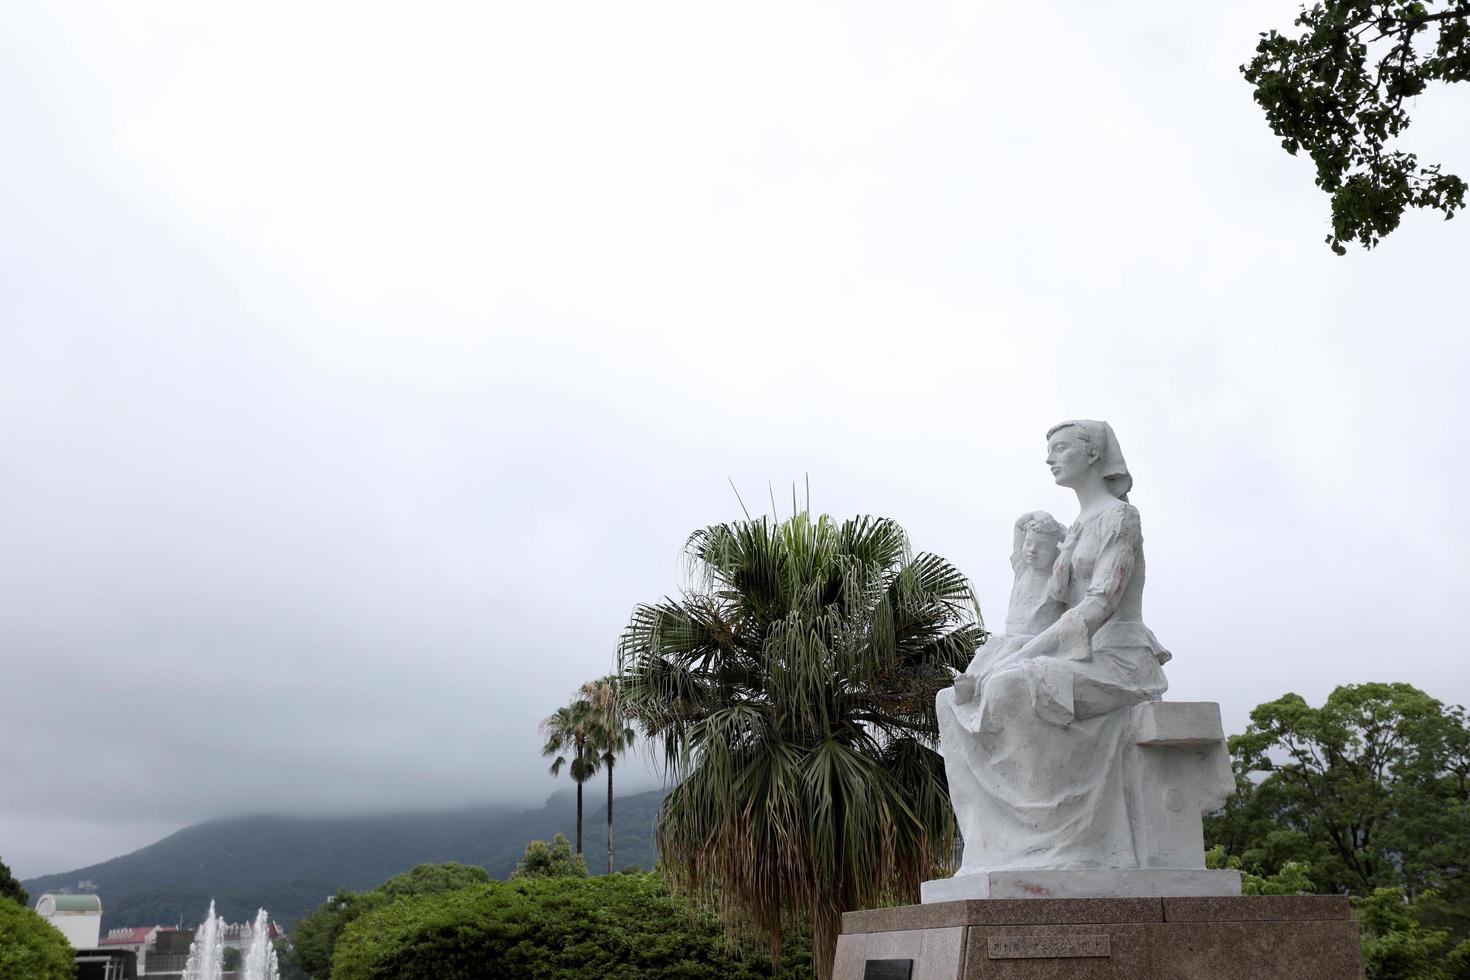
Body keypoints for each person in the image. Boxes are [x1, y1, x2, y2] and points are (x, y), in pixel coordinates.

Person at [937, 420, 1170, 872]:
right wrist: (994, 656)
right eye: (1050, 450)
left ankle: (1057, 841)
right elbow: (1047, 610)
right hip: (1072, 653)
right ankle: (997, 847)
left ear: (1093, 455)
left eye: (1061, 448)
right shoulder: (1076, 527)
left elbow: (1100, 603)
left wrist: (1020, 658)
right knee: (951, 699)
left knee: (1011, 687)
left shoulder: (1121, 518)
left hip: (1119, 658)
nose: (1050, 458)